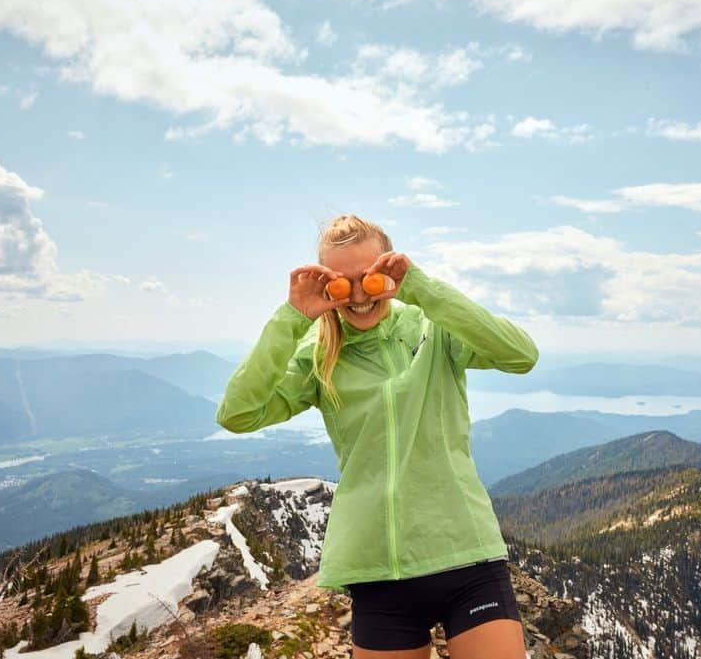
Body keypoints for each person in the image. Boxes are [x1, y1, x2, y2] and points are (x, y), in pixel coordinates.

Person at [216, 214, 539, 659]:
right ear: (327, 286)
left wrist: (421, 287)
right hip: (377, 574)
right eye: (341, 283)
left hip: (467, 556)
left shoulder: (433, 329)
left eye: (368, 277)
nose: (358, 294)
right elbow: (237, 413)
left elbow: (522, 356)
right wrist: (292, 318)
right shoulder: (319, 353)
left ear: (389, 270)